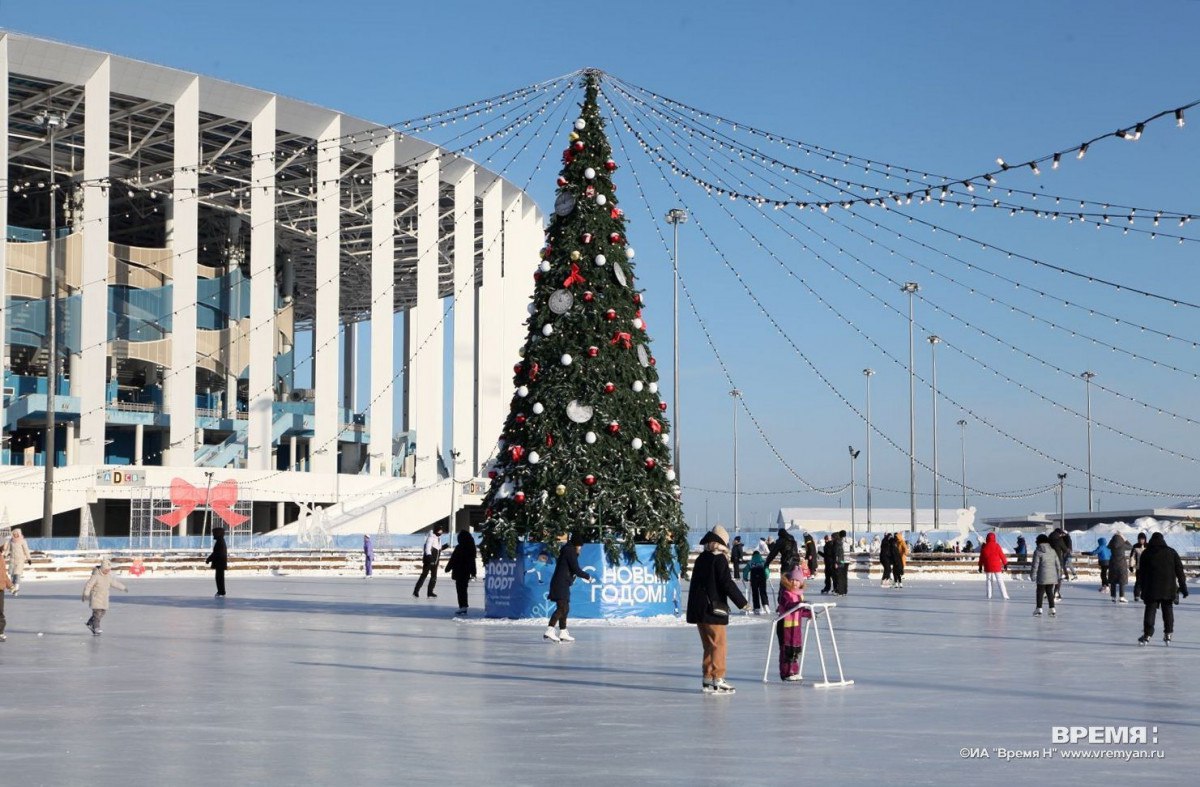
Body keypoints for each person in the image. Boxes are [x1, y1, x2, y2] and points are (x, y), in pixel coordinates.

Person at [686, 525, 749, 695]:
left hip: (699, 609)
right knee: (719, 644)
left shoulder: (701, 558)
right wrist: (742, 602)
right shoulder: (719, 559)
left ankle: (708, 677)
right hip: (712, 609)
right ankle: (718, 678)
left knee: (708, 645)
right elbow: (726, 583)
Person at [1135, 532, 1188, 645]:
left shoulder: (1146, 553)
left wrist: (1140, 588)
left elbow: (1141, 573)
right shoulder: (1171, 552)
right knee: (1168, 610)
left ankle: (1147, 635)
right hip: (1168, 587)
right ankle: (1168, 633)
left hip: (1151, 588)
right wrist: (1183, 586)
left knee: (1150, 610)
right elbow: (1180, 571)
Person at [545, 533, 592, 643]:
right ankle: (550, 629)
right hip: (560, 583)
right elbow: (576, 569)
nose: (580, 548)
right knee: (562, 608)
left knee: (565, 608)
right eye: (580, 546)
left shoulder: (569, 550)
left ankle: (563, 632)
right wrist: (588, 576)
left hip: (562, 583)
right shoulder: (570, 551)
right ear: (576, 544)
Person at [776, 565, 809, 682]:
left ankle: (794, 671)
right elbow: (788, 606)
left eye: (797, 581)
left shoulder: (800, 595)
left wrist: (809, 612)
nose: (795, 583)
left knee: (795, 650)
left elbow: (800, 611)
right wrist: (798, 606)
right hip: (784, 626)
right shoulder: (786, 594)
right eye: (792, 580)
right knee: (786, 650)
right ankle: (786, 672)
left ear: (801, 583)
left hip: (795, 626)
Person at [82, 558, 128, 636]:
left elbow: (114, 583)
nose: (108, 571)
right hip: (96, 598)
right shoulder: (96, 576)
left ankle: (90, 623)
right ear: (102, 568)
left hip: (104, 598)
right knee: (97, 614)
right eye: (106, 569)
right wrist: (86, 594)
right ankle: (96, 627)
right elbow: (88, 585)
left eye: (109, 570)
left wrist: (123, 587)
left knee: (102, 612)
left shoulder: (108, 577)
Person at [444, 530, 478, 616]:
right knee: (463, 589)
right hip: (466, 572)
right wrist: (473, 573)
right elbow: (473, 562)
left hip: (459, 571)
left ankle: (462, 606)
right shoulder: (471, 548)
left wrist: (448, 568)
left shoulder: (459, 547)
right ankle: (463, 606)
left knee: (460, 590)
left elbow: (453, 559)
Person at [1030, 534, 1062, 616]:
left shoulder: (1038, 551)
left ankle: (1039, 608)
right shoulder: (1052, 550)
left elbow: (1035, 565)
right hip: (1052, 576)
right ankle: (1052, 608)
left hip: (1042, 576)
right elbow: (1058, 564)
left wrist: (1033, 575)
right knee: (1049, 592)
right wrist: (1059, 575)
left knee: (1040, 592)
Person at [413, 527, 444, 598]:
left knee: (434, 577)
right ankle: (416, 591)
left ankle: (430, 592)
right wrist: (431, 559)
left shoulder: (438, 538)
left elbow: (438, 549)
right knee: (424, 575)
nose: (440, 532)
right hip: (429, 561)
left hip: (435, 561)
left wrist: (446, 545)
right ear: (436, 530)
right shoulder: (431, 537)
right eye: (439, 531)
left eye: (441, 531)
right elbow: (427, 549)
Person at [977, 532, 1009, 600]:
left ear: (987, 538)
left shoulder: (984, 546)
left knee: (988, 581)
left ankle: (989, 595)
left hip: (988, 566)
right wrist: (1005, 563)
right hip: (996, 566)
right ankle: (1005, 595)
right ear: (994, 538)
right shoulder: (997, 545)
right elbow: (1002, 555)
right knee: (1000, 580)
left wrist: (980, 566)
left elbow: (981, 558)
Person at [3, 527, 32, 596]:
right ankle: (13, 588)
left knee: (17, 575)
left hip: (20, 560)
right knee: (12, 575)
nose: (15, 535)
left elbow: (26, 550)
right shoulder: (11, 541)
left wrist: (29, 559)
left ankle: (16, 588)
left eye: (16, 534)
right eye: (14, 534)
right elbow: (8, 549)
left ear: (19, 534)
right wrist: (5, 555)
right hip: (12, 560)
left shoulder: (22, 541)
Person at [1107, 532, 1131, 603]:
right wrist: (1125, 539)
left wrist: (1112, 539)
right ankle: (1122, 597)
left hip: (1113, 564)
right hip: (1121, 564)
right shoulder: (1123, 544)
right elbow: (1131, 546)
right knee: (1122, 581)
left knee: (1113, 581)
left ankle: (1113, 597)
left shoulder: (1111, 544)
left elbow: (1108, 546)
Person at [205, 527, 228, 597]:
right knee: (219, 578)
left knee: (219, 578)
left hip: (220, 563)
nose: (213, 535)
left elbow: (216, 553)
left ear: (218, 533)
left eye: (214, 533)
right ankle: (221, 591)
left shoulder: (220, 541)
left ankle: (221, 592)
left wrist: (209, 559)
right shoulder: (220, 541)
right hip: (220, 562)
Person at [1131, 532, 1149, 601]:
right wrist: (1131, 566)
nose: (1141, 540)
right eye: (1139, 539)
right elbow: (1132, 557)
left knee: (1146, 582)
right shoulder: (1135, 546)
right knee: (1138, 582)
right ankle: (1136, 595)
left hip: (1147, 568)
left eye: (1142, 539)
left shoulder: (1148, 546)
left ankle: (1144, 595)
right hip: (1139, 567)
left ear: (1145, 539)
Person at [833, 531, 849, 595]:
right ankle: (844, 591)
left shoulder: (838, 542)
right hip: (846, 561)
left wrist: (837, 562)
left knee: (840, 577)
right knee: (844, 577)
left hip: (841, 561)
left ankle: (840, 591)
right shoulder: (847, 541)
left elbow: (837, 554)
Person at [0, 561, 11, 642]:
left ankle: (0, 632)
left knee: (0, 611)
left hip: (0, 588)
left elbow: (3, 573)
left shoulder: (1, 556)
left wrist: (10, 586)